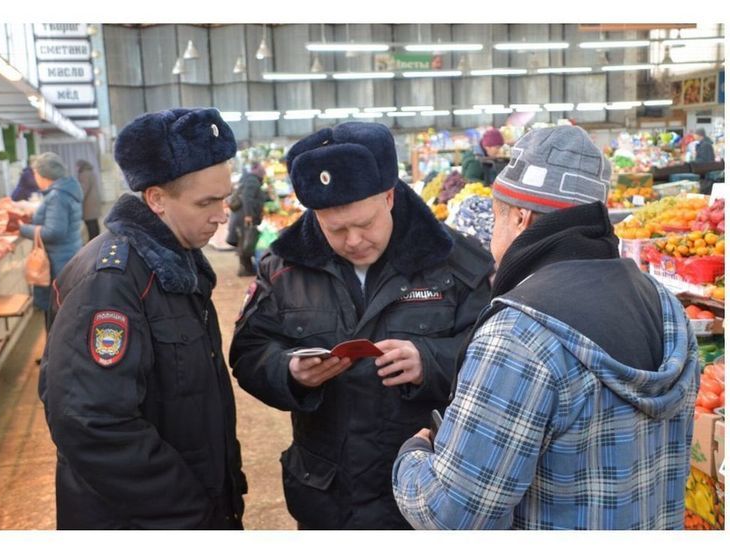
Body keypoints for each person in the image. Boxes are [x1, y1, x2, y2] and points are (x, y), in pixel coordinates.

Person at [392, 125, 700, 530]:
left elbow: (452, 515)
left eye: (497, 218)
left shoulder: (519, 333)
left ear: (520, 218)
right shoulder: (664, 305)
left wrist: (412, 457)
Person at [230, 121, 495, 529]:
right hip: (328, 497)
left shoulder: (457, 263)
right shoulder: (284, 268)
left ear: (389, 196)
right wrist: (289, 372)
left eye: (365, 224)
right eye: (335, 228)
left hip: (424, 493)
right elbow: (249, 352)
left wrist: (433, 360)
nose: (353, 240)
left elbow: (496, 357)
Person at [38, 108, 247, 529]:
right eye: (206, 202)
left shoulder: (176, 264)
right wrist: (190, 510)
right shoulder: (111, 283)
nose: (222, 214)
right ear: (155, 199)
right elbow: (91, 423)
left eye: (224, 198)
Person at [18, 152, 83, 321]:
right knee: (62, 314)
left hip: (57, 263)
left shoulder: (57, 196)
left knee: (57, 316)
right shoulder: (66, 190)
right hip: (67, 256)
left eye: (35, 173)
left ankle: (55, 348)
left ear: (43, 174)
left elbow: (54, 232)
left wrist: (23, 229)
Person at [228, 162, 268, 276]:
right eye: (263, 171)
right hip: (244, 216)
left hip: (242, 215)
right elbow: (247, 198)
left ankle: (247, 268)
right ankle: (245, 269)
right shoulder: (252, 181)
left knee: (245, 241)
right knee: (247, 241)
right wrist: (248, 215)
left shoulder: (250, 179)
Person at [76, 159, 101, 240]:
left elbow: (83, 189)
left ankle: (93, 240)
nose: (76, 168)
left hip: (88, 203)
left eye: (77, 166)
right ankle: (97, 238)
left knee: (90, 223)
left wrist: (77, 198)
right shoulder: (90, 172)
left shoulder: (84, 174)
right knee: (94, 222)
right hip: (93, 200)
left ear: (81, 166)